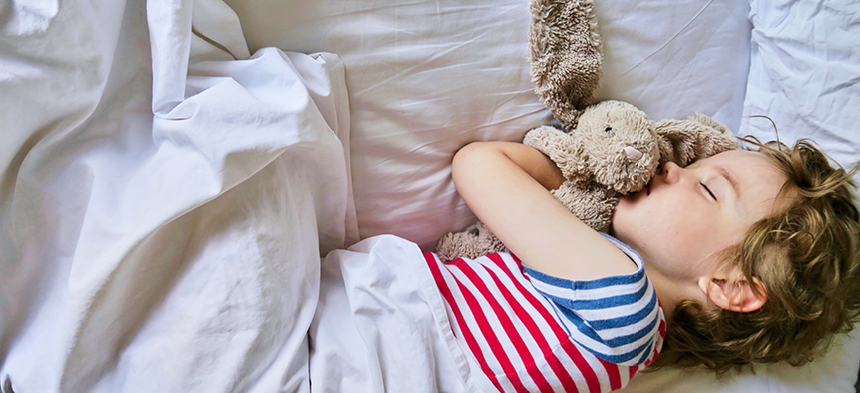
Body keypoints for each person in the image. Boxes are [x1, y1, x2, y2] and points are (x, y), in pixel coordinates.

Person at [441, 136, 860, 391]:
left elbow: (479, 163)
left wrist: (591, 170)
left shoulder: (622, 297)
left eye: (708, 189)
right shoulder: (635, 351)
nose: (673, 166)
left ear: (731, 286)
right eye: (694, 165)